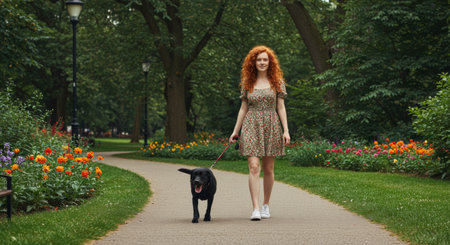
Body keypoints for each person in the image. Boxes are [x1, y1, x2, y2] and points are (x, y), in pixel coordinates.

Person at [229, 45, 290, 221]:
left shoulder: (277, 82)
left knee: (268, 169)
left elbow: (280, 107)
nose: (262, 62)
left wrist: (286, 130)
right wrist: (235, 131)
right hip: (251, 125)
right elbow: (243, 108)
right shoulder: (247, 82)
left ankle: (265, 205)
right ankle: (255, 208)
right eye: (259, 60)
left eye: (265, 59)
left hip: (271, 124)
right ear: (253, 62)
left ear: (269, 62)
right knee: (254, 167)